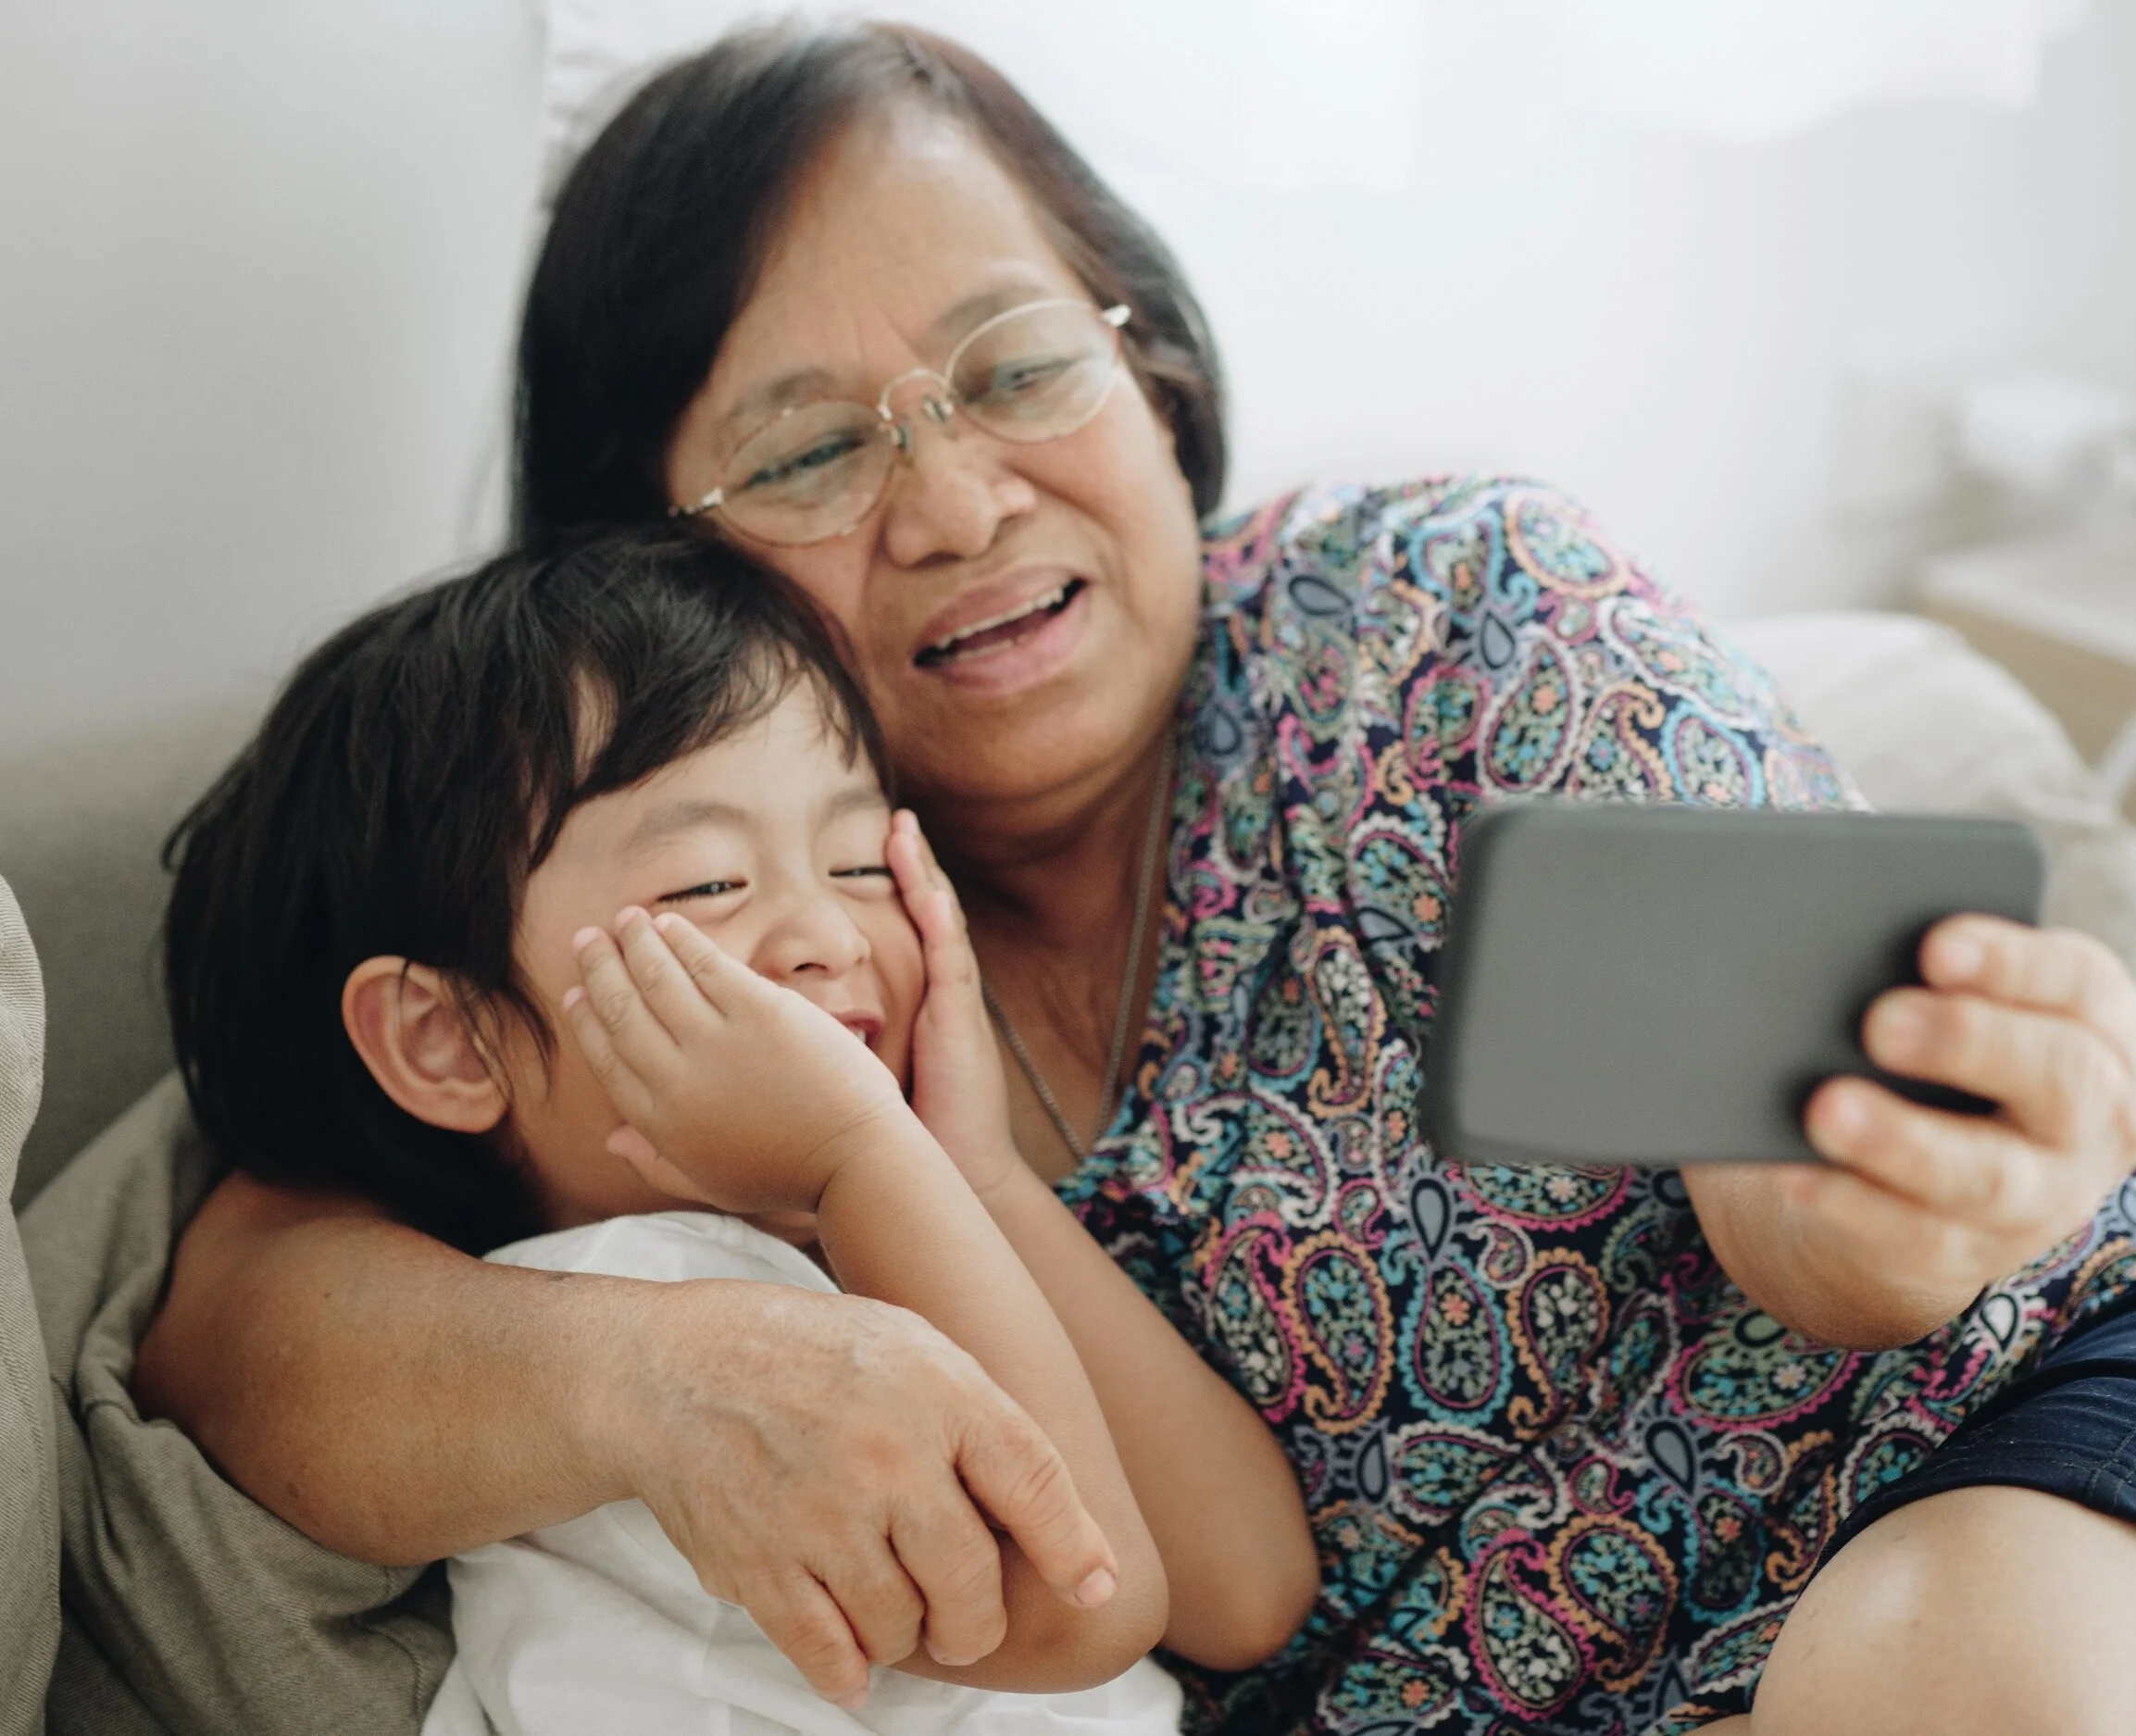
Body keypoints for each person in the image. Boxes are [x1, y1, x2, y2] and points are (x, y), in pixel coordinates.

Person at [132, 19, 2136, 1735]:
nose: (959, 495)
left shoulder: (1446, 618)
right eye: (807, 447)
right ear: (647, 556)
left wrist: (1885, 1180)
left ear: (1148, 374)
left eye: (1014, 367)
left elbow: (1823, 1173)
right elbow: (239, 1301)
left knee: (1954, 1685)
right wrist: (655, 1382)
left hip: (2057, 1401)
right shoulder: (721, 951)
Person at [158, 528, 1317, 1734]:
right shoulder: (652, 1289)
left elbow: (1249, 1589)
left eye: (865, 860)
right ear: (453, 1040)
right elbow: (1083, 1596)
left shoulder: (846, 1243)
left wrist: (972, 1176)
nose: (826, 931)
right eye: (708, 883)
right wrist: (863, 1153)